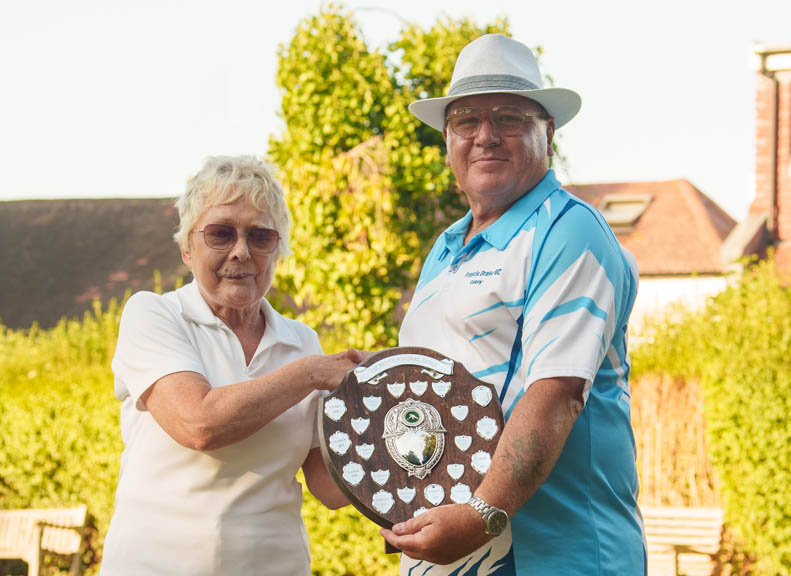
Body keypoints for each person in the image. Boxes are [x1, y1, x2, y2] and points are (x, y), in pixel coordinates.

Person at [380, 34, 646, 575]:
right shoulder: (445, 249)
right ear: (448, 138)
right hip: (455, 559)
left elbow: (558, 392)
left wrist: (480, 515)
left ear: (546, 132)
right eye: (466, 121)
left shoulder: (570, 230)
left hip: (558, 558)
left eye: (508, 117)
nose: (486, 136)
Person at [100, 155, 359, 576]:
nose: (241, 251)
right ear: (187, 247)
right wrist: (310, 373)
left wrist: (412, 448)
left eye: (260, 236)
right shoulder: (152, 315)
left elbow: (327, 484)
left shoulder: (302, 341)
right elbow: (198, 424)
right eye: (221, 233)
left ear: (278, 250)